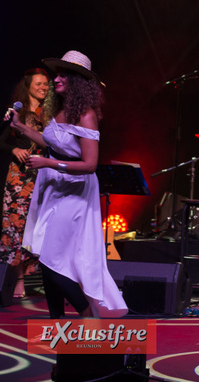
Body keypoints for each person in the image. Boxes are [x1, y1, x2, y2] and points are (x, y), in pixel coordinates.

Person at [10, 50, 127, 318]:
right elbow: (52, 143)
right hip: (54, 188)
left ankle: (87, 315)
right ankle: (56, 321)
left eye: (64, 75)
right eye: (57, 74)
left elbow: (89, 165)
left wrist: (47, 163)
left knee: (52, 262)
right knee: (46, 260)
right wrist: (21, 128)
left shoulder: (85, 115)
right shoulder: (62, 110)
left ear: (77, 81)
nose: (56, 79)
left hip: (75, 191)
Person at [0, 68, 50, 299]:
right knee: (17, 225)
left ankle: (46, 278)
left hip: (44, 174)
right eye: (39, 83)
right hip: (20, 177)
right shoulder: (16, 111)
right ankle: (19, 279)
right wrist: (15, 148)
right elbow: (2, 142)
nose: (43, 87)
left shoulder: (51, 112)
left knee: (41, 226)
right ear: (28, 85)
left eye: (46, 84)